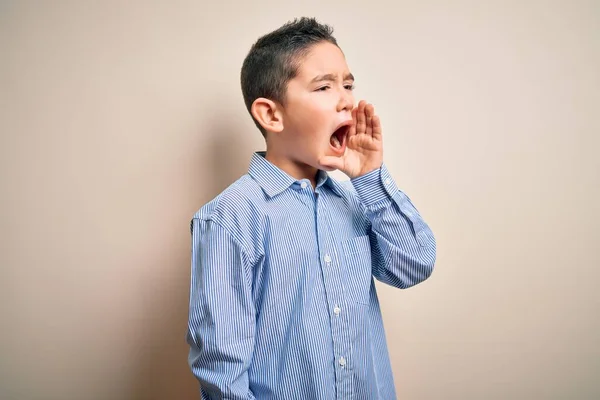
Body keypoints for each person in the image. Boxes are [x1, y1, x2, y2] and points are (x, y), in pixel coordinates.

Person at [186, 17, 436, 400]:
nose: (347, 100)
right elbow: (223, 372)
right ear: (271, 114)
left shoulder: (356, 197)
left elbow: (414, 265)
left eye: (348, 85)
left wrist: (370, 177)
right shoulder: (229, 218)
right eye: (324, 87)